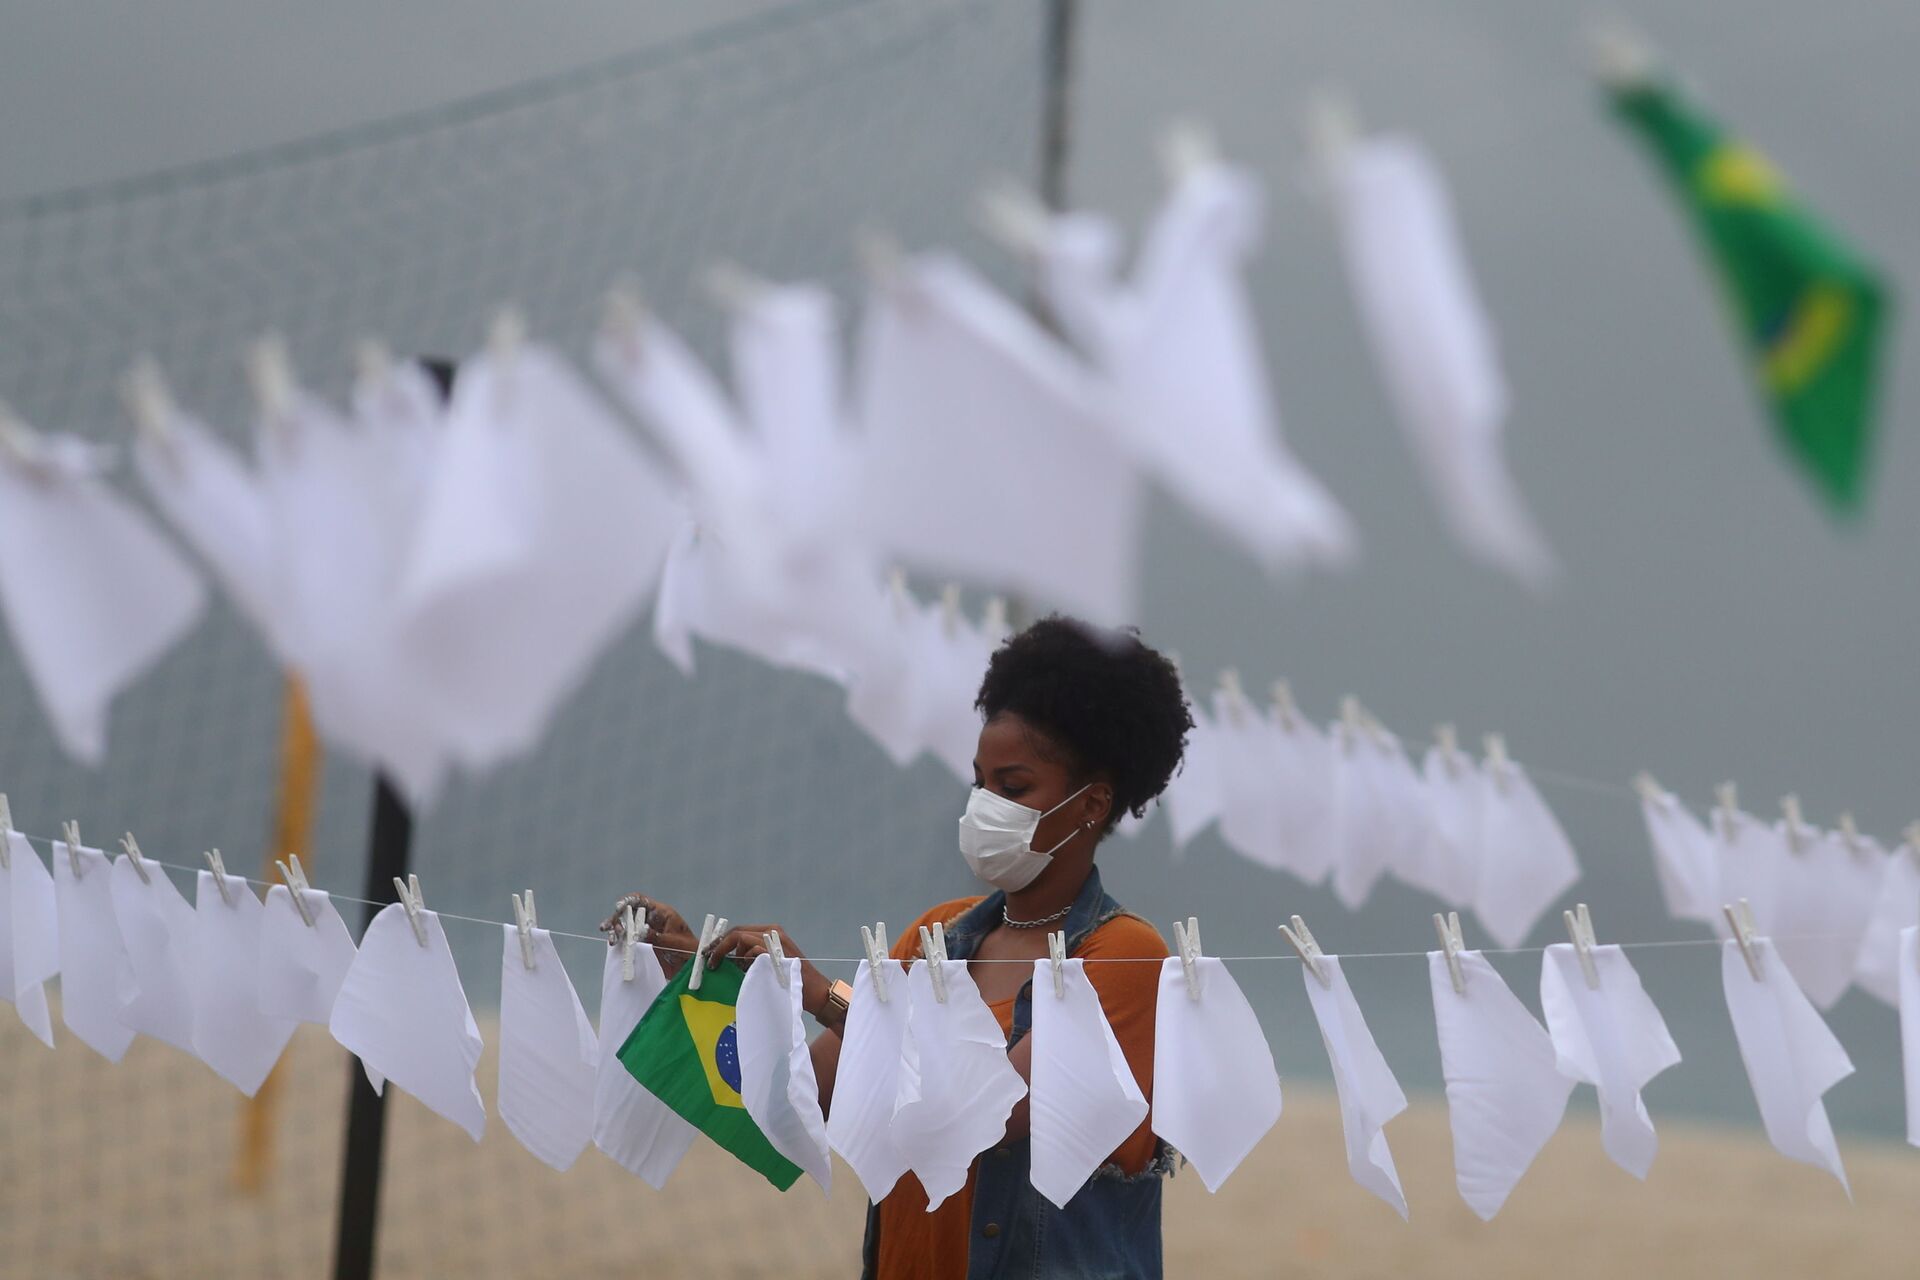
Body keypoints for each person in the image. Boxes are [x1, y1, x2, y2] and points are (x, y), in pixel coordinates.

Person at [603, 614, 1194, 1278]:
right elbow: (800, 1098)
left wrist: (823, 997)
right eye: (980, 782)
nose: (984, 807)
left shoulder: (1125, 956)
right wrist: (710, 987)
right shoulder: (938, 935)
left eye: (1014, 787)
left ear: (1093, 803)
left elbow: (990, 1113)